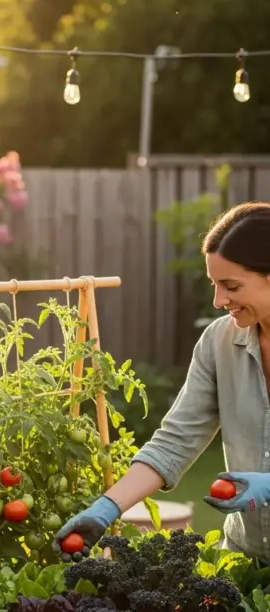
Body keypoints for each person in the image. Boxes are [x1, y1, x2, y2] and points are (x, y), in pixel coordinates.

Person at [54, 201, 270, 562]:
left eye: (231, 285)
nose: (219, 300)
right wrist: (107, 508)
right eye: (214, 285)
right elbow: (175, 442)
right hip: (246, 558)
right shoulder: (219, 343)